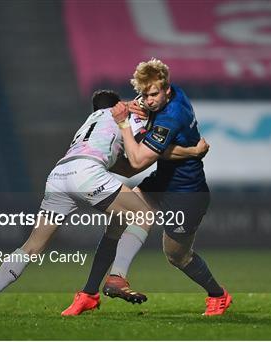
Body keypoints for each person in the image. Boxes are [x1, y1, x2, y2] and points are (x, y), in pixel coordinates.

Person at [0, 90, 206, 316]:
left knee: (32, 246)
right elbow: (146, 152)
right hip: (87, 173)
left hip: (58, 175)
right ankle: (117, 278)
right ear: (116, 104)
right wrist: (192, 152)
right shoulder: (127, 111)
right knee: (143, 215)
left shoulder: (89, 123)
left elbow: (126, 169)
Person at [65, 58, 232, 317]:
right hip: (161, 182)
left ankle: (218, 295)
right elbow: (159, 146)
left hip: (187, 192)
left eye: (153, 94)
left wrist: (123, 124)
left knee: (177, 256)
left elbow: (138, 160)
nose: (148, 100)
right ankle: (89, 292)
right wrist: (189, 149)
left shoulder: (171, 117)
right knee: (120, 221)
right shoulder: (169, 92)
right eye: (145, 94)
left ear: (166, 89)